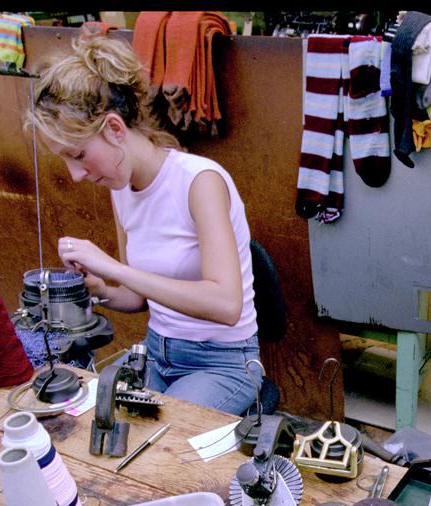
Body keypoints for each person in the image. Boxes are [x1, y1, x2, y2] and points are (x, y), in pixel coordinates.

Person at [26, 35, 260, 415]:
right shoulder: (122, 186)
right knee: (87, 414)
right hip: (156, 353)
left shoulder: (200, 182)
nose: (75, 174)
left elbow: (226, 304)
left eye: (79, 155)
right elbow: (138, 297)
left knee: (157, 442)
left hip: (224, 363)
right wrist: (100, 288)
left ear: (115, 129)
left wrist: (115, 269)